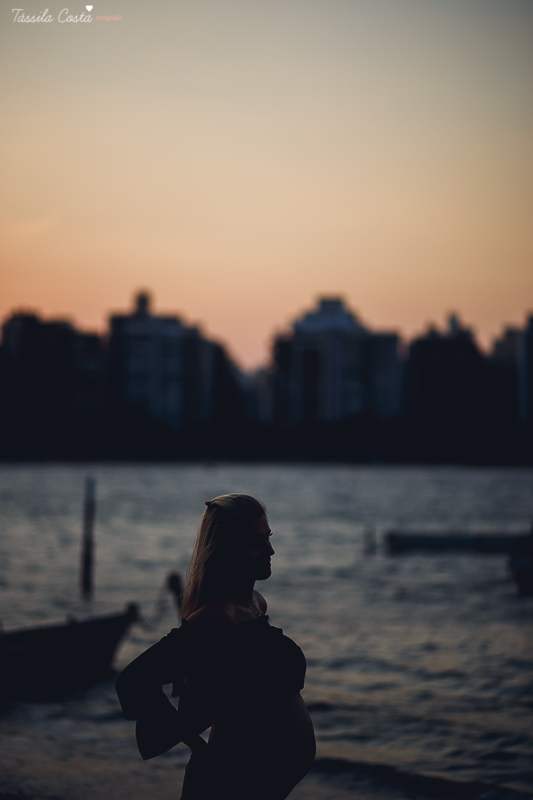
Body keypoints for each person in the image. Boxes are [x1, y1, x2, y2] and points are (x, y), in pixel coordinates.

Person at [116, 493, 316, 800]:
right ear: (226, 551)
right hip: (229, 780)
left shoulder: (255, 605)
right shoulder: (217, 616)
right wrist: (199, 748)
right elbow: (134, 680)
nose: (270, 550)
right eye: (255, 542)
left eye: (268, 538)